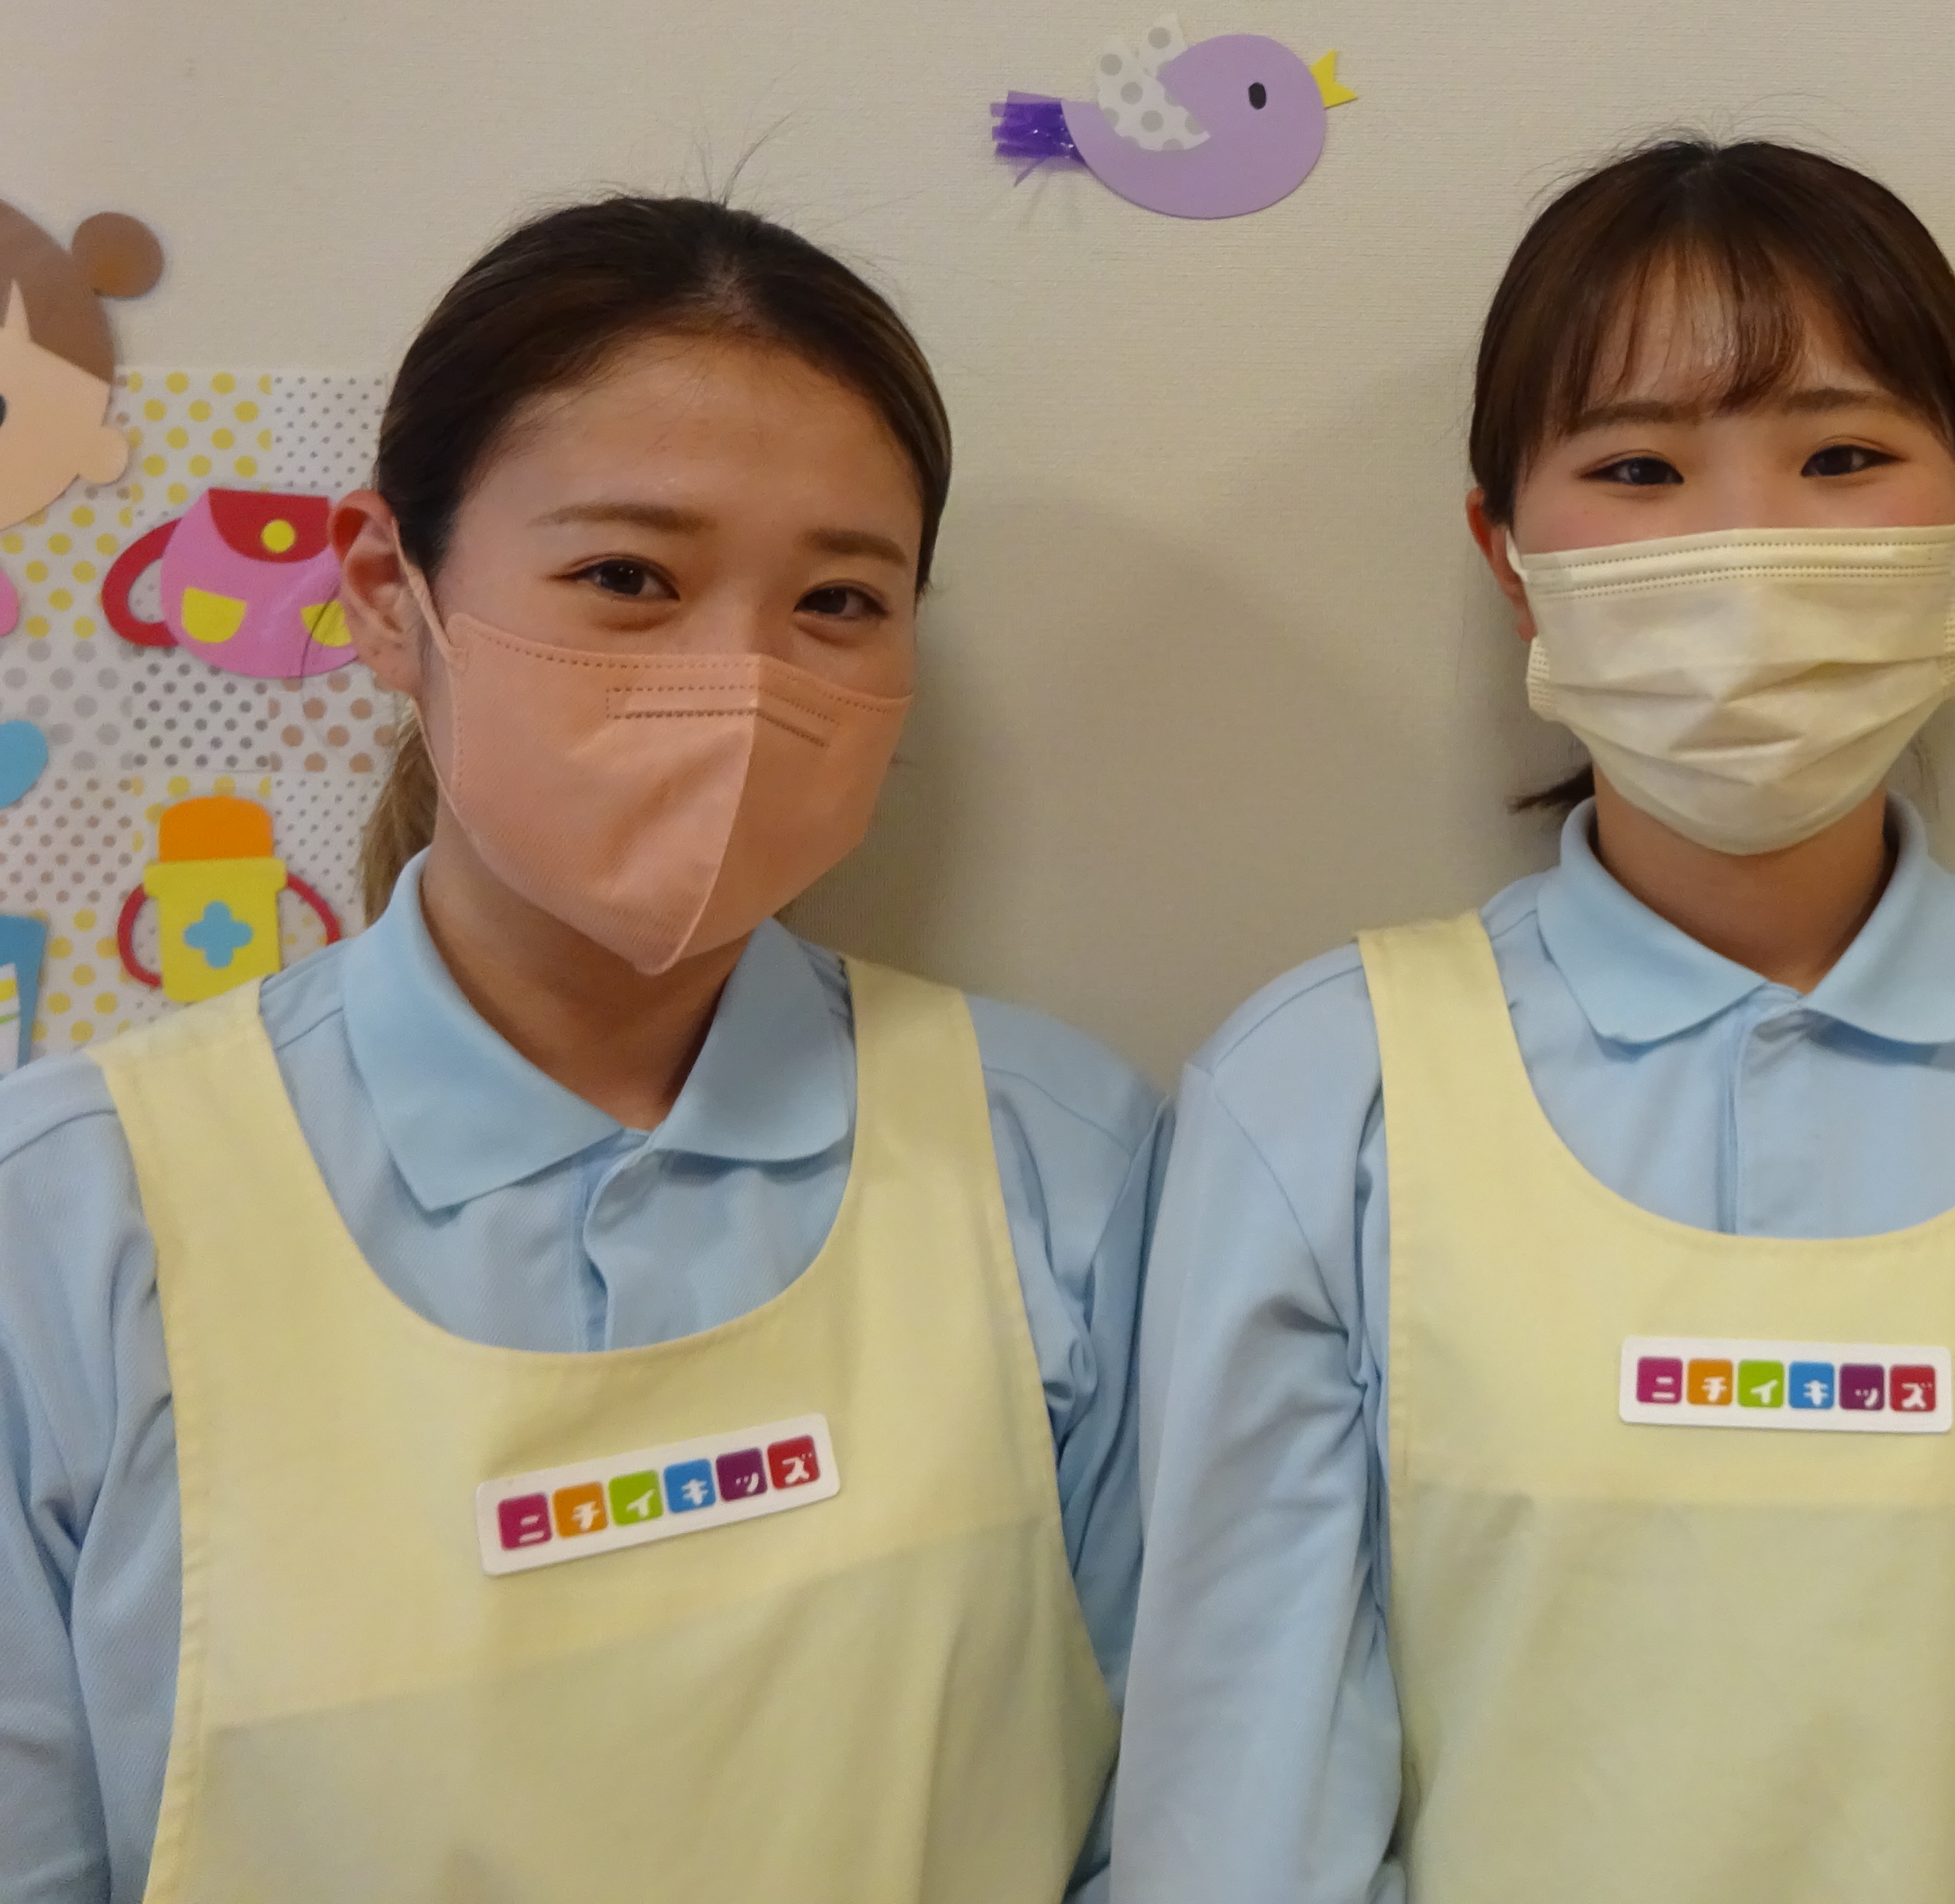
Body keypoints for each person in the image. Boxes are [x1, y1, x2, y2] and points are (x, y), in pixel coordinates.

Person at [1112, 138, 1955, 1904]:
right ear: (1508, 552)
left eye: (1841, 459)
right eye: (1639, 470)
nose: (1747, 550)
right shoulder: (1322, 1092)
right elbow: (1247, 1811)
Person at [0, 197, 1165, 1901]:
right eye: (628, 577)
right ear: (387, 593)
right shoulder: (71, 1219)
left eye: (838, 599)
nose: (738, 682)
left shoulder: (1066, 1164)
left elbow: (1177, 1818)